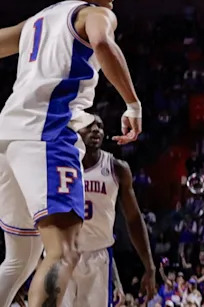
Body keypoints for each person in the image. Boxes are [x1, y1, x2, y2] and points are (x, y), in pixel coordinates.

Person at [0, 0, 143, 307]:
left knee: (19, 259)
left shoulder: (35, 22)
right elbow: (102, 43)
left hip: (8, 136)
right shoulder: (95, 14)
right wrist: (132, 103)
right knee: (63, 253)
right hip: (48, 134)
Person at [65, 117, 154, 307]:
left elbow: (134, 219)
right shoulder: (59, 164)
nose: (96, 129)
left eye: (100, 126)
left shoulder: (117, 168)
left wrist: (149, 266)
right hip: (61, 254)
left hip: (97, 256)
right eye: (89, 125)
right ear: (75, 130)